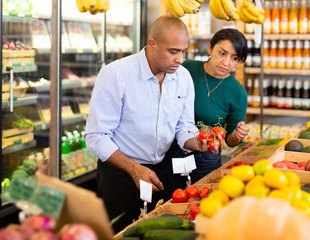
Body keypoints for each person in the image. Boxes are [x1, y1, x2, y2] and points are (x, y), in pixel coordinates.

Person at [84, 15, 218, 233]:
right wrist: (134, 169)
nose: (180, 59)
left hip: (162, 173)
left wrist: (198, 143)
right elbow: (96, 136)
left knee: (158, 231)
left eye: (184, 51)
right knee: (122, 232)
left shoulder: (182, 78)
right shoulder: (116, 74)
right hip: (121, 176)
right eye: (173, 51)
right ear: (152, 44)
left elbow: (183, 126)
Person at [165, 28, 250, 189]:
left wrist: (238, 135)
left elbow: (230, 142)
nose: (226, 63)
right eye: (222, 53)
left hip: (205, 158)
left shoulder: (237, 92)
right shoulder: (187, 70)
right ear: (210, 48)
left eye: (234, 58)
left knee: (200, 204)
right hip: (171, 151)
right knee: (169, 202)